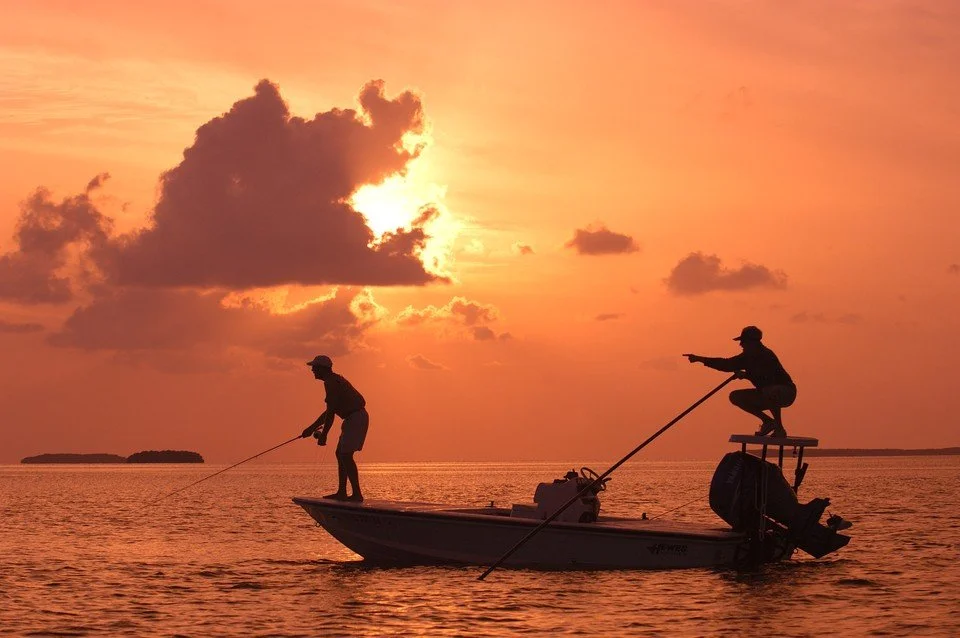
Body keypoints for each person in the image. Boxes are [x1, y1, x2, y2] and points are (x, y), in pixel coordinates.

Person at [683, 326, 796, 437]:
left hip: (786, 392)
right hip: (766, 393)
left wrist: (746, 375)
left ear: (752, 342)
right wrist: (700, 359)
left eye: (743, 341)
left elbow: (767, 378)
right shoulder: (746, 357)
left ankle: (779, 428)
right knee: (735, 396)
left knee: (771, 390)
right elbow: (726, 364)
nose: (740, 344)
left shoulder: (766, 355)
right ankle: (768, 421)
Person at [300, 355, 369, 501]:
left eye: (314, 367)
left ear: (322, 369)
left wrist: (323, 435)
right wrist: (311, 428)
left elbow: (330, 414)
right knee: (340, 454)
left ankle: (357, 494)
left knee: (345, 455)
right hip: (352, 418)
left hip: (356, 418)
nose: (312, 370)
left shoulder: (331, 383)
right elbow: (329, 411)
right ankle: (342, 492)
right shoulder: (332, 380)